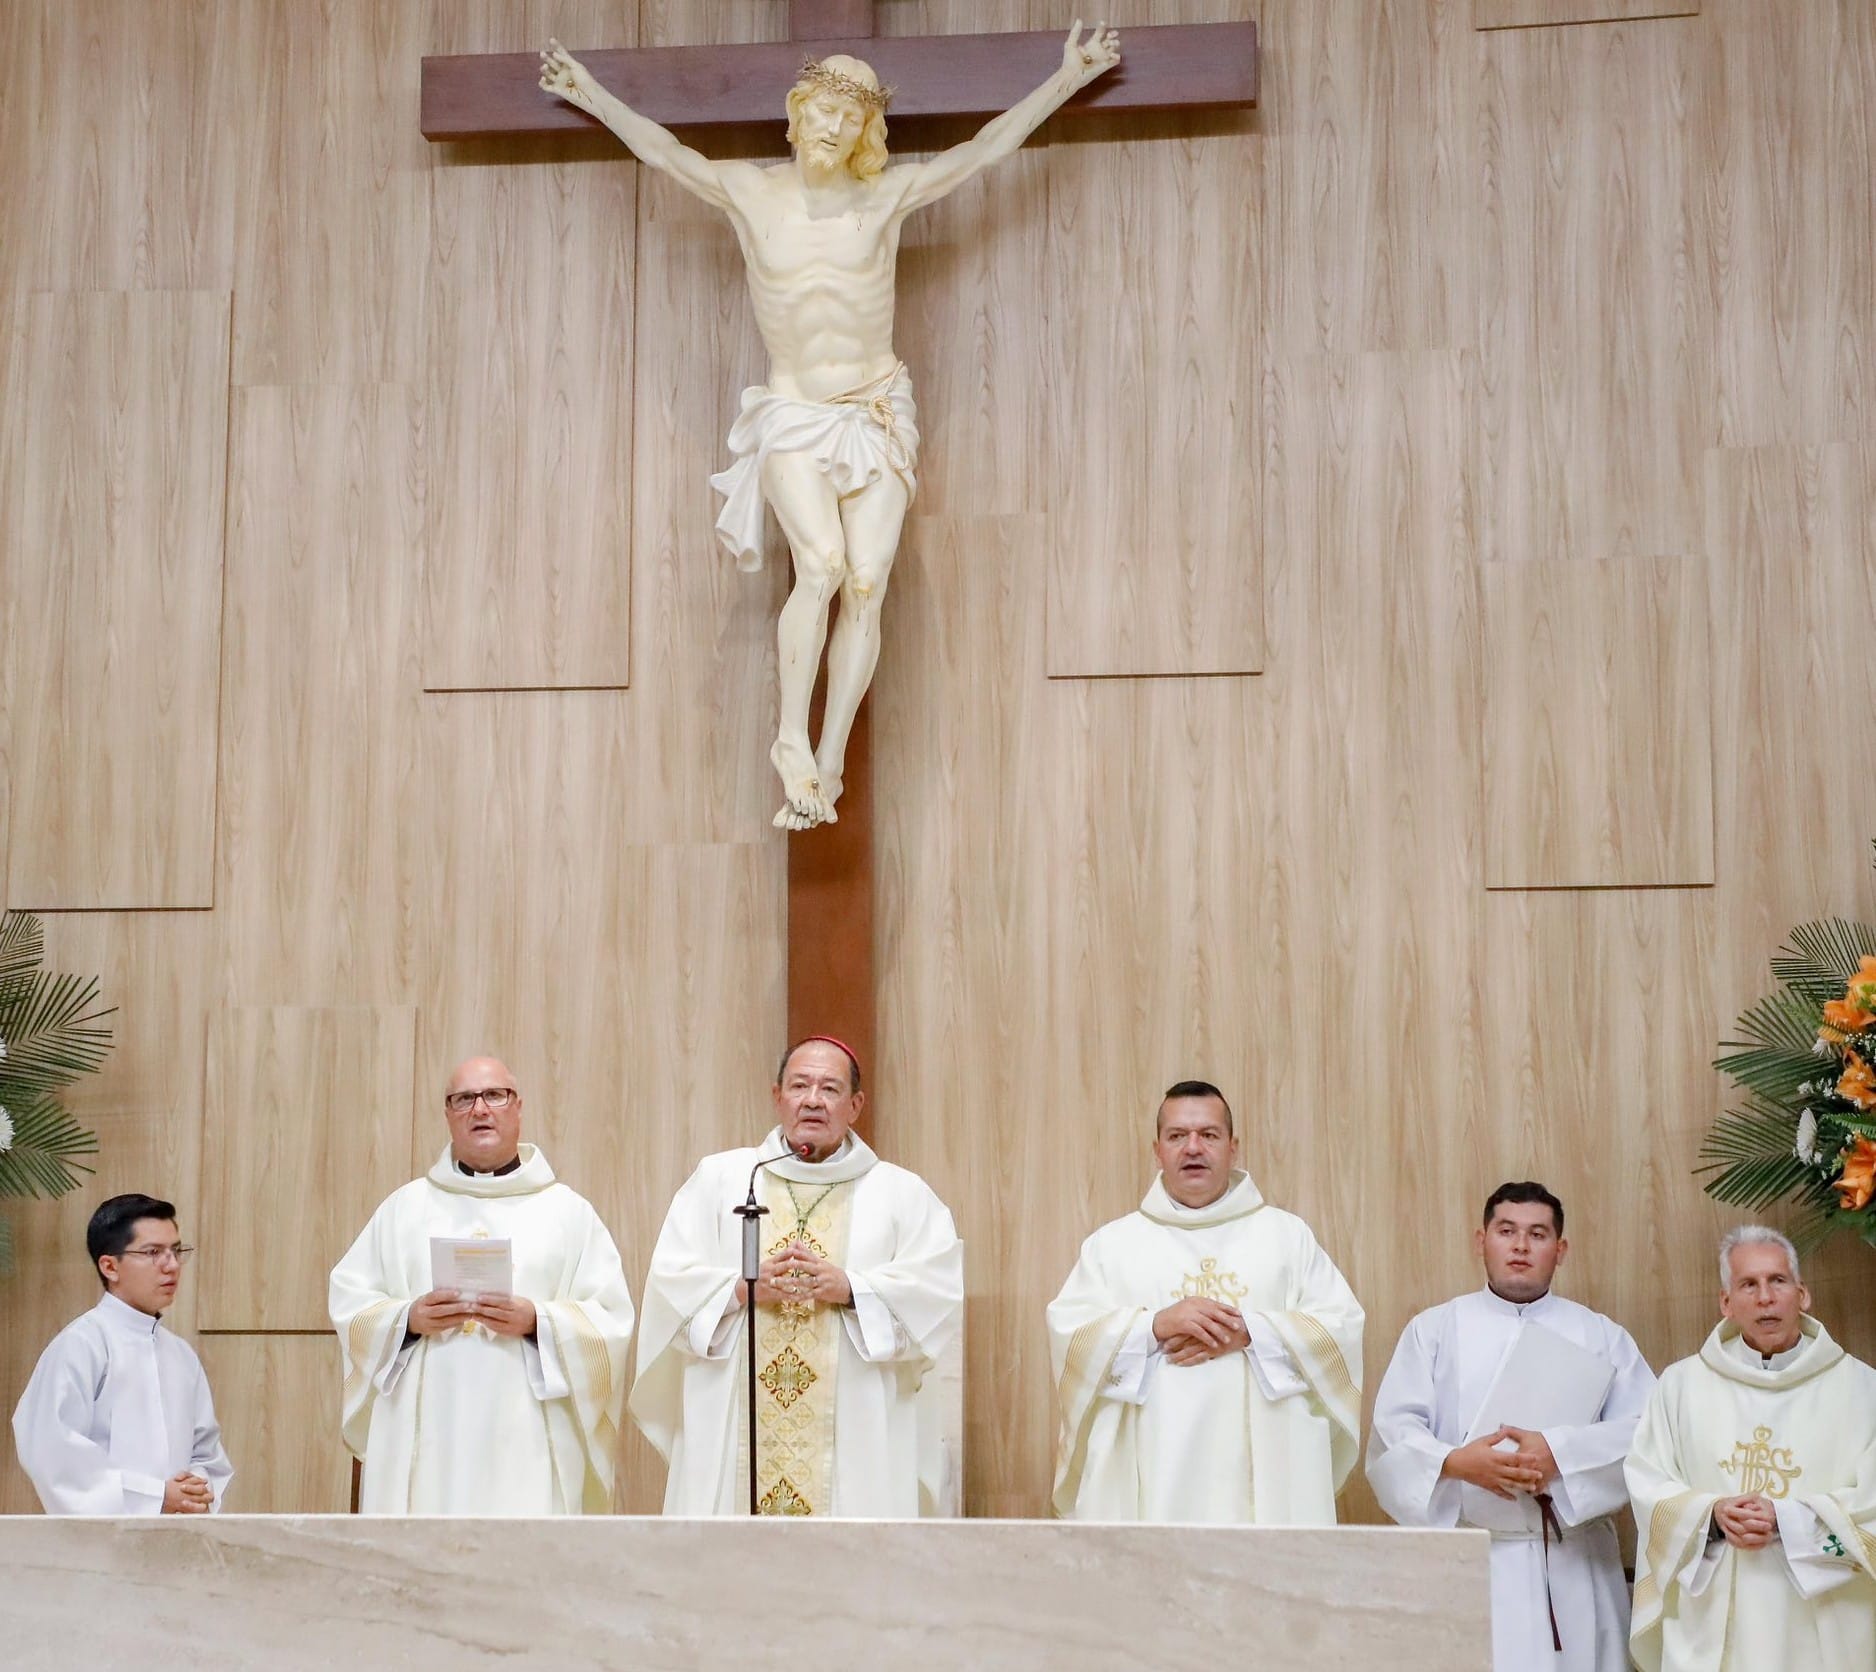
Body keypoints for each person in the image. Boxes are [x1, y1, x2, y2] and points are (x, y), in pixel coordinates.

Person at [540, 25, 1122, 831]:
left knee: (867, 581)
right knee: (817, 563)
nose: (832, 128)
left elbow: (985, 151)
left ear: (864, 134)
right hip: (792, 413)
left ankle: (832, 759)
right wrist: (586, 91)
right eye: (822, 110)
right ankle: (789, 742)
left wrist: (1067, 79)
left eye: (851, 119)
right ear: (797, 110)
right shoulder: (750, 192)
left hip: (876, 409)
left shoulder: (885, 197)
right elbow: (664, 152)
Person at [632, 1036, 962, 1515]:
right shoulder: (723, 1178)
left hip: (854, 1425)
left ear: (855, 1105)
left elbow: (937, 1292)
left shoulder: (901, 1193)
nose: (812, 1100)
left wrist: (851, 1289)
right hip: (739, 1412)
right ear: (777, 1096)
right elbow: (669, 1284)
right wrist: (741, 1289)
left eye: (829, 1089)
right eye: (799, 1085)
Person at [1366, 1181, 1657, 1671]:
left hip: (1571, 1562)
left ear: (1559, 1250)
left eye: (1538, 1234)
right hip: (1469, 1559)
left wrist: (1558, 1454)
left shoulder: (1601, 1335)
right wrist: (1457, 1463)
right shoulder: (1433, 1330)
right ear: (1481, 1240)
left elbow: (1648, 1435)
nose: (1521, 1246)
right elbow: (1394, 1434)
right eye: (1507, 1231)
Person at [1046, 1081, 1364, 1523]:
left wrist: (1251, 1331)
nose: (1193, 1148)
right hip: (1151, 1472)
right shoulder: (1112, 1245)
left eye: (1208, 1135)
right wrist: (1154, 1325)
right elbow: (1071, 1338)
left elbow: (1340, 1328)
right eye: (1177, 1136)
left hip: (1267, 1475)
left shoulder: (1287, 1238)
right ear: (1157, 1149)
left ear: (1233, 1148)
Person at [328, 1056, 635, 1513]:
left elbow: (611, 1320)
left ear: (518, 1107)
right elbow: (352, 1302)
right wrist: (408, 1319)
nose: (480, 1109)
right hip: (426, 1430)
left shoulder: (569, 1214)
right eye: (464, 1099)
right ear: (448, 1115)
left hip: (527, 1432)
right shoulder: (404, 1209)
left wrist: (538, 1320)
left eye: (494, 1095)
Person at [1626, 1225, 1876, 1670]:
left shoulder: (1862, 1388)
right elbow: (1648, 1481)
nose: (1765, 1297)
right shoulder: (1681, 1387)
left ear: (1802, 1295)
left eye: (1778, 1281)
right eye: (1748, 1284)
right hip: (1713, 1617)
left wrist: (1787, 1518)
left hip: (1822, 1620)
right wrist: (1712, 1516)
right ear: (1727, 1302)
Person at [12, 1193, 232, 1514]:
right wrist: (155, 1496)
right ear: (110, 1266)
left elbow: (206, 1453)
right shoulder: (81, 1344)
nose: (171, 1265)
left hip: (178, 1540)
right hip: (100, 1548)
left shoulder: (181, 1355)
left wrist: (192, 1491)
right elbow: (51, 1450)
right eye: (153, 1252)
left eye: (176, 1250)